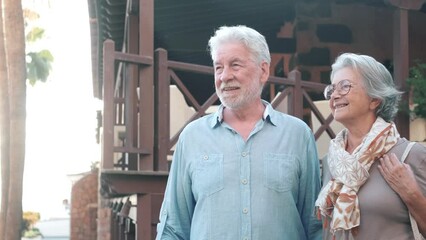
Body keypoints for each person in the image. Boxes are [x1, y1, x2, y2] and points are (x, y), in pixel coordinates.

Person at [156, 25, 322, 240]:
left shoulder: (298, 135)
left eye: (235, 65)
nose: (224, 76)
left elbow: (314, 225)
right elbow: (173, 227)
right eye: (218, 67)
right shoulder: (192, 137)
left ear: (263, 71)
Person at [315, 52, 426, 240]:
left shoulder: (412, 155)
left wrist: (411, 194)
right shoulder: (331, 161)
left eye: (345, 87)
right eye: (332, 89)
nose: (334, 95)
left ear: (375, 99)